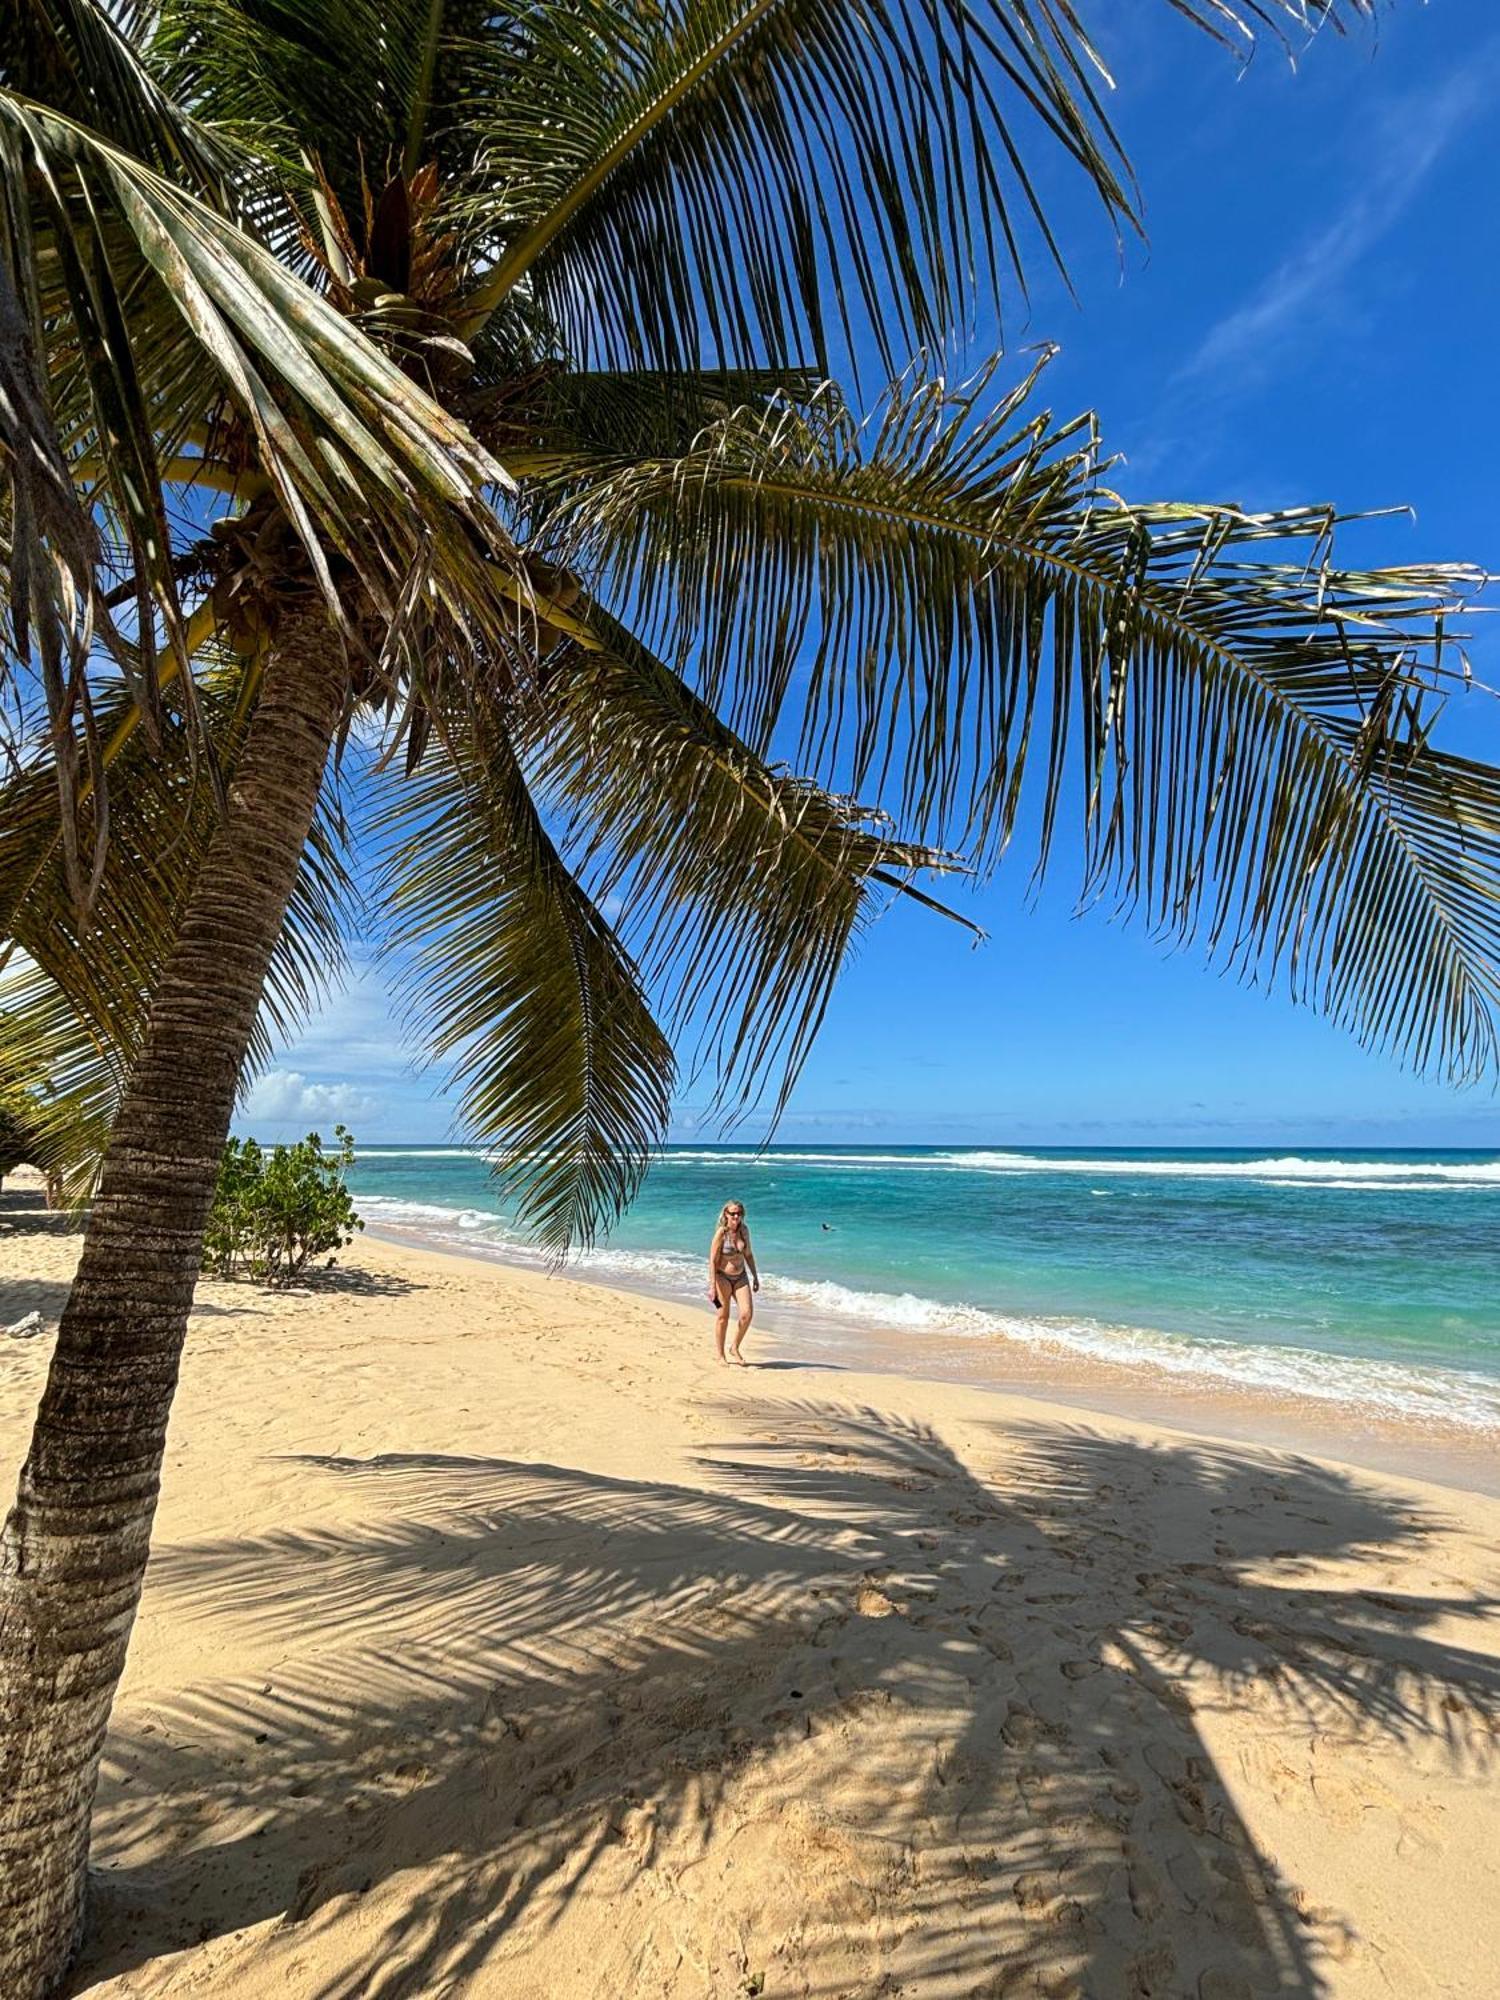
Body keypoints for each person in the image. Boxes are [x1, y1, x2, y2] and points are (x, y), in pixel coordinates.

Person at [708, 1199, 759, 1365]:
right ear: (726, 1214)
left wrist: (755, 1277)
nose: (736, 1216)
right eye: (732, 1213)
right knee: (723, 1316)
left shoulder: (744, 1231)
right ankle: (720, 1355)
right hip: (722, 1277)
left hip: (741, 1277)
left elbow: (749, 1255)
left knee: (747, 1314)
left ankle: (734, 1347)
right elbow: (713, 1261)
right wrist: (712, 1287)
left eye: (739, 1213)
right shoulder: (721, 1234)